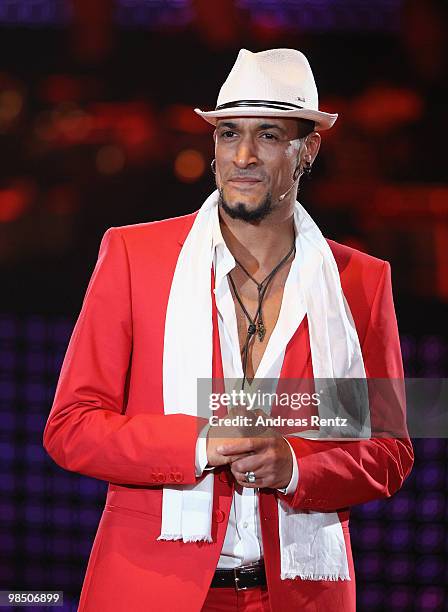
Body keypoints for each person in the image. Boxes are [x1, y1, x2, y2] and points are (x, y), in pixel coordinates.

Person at [42, 48, 414, 611]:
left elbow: (385, 451)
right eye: (228, 134)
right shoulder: (135, 257)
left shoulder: (357, 282)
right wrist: (197, 444)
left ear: (307, 149)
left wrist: (295, 465)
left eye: (267, 135)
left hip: (300, 594)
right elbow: (71, 427)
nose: (242, 155)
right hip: (151, 588)